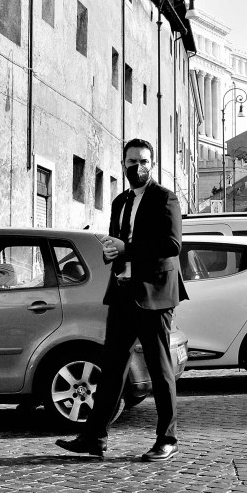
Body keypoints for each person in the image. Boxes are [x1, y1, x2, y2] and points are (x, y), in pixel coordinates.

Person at [56, 138, 189, 462]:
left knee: (159, 368)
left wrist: (127, 249)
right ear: (124, 165)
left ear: (152, 164)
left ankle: (167, 439)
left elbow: (172, 245)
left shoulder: (165, 198)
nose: (137, 167)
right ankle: (94, 438)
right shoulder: (120, 202)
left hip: (154, 295)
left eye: (143, 161)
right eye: (132, 162)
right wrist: (110, 251)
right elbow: (117, 243)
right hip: (122, 292)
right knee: (112, 367)